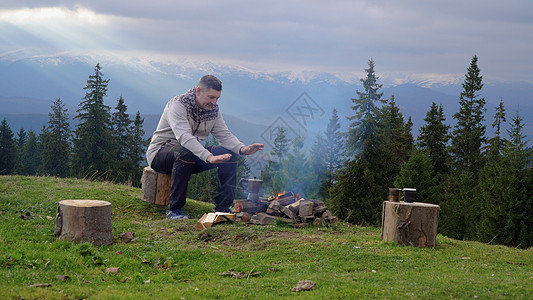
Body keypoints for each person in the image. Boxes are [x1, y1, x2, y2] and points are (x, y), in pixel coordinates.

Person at [146, 75, 264, 219]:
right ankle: (174, 210)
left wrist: (242, 149)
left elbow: (224, 134)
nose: (214, 102)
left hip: (190, 153)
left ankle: (223, 207)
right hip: (160, 154)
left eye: (217, 98)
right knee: (185, 152)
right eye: (211, 97)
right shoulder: (178, 105)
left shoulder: (213, 110)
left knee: (229, 154)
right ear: (198, 91)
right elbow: (184, 137)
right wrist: (208, 157)